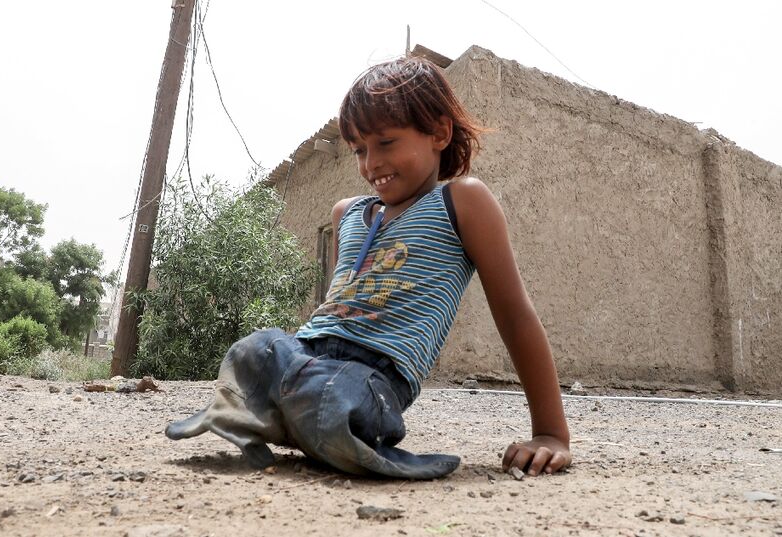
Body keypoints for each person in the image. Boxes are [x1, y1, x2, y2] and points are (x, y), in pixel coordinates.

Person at [166, 55, 571, 479]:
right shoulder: (348, 213)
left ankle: (294, 421)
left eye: (386, 143)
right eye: (360, 149)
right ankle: (311, 426)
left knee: (339, 394)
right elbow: (336, 309)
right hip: (311, 353)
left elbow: (514, 314)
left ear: (439, 132)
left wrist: (550, 433)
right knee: (255, 348)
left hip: (372, 374)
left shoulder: (463, 202)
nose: (370, 163)